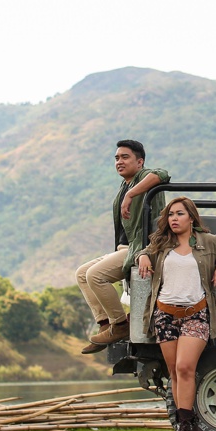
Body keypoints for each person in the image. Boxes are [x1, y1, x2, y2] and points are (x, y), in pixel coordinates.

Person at [135, 196, 216, 431]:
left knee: (184, 368)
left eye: (179, 214)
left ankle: (185, 429)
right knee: (174, 374)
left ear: (191, 217)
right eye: (170, 215)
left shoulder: (210, 242)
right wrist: (144, 257)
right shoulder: (160, 243)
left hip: (196, 313)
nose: (174, 219)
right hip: (165, 314)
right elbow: (141, 252)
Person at [75, 140, 169, 353]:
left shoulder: (145, 178)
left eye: (125, 157)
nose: (119, 161)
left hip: (142, 247)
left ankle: (119, 325)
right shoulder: (124, 185)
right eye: (117, 158)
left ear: (140, 161)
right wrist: (127, 192)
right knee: (82, 274)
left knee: (95, 276)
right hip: (124, 248)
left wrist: (131, 194)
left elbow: (163, 174)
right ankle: (106, 325)